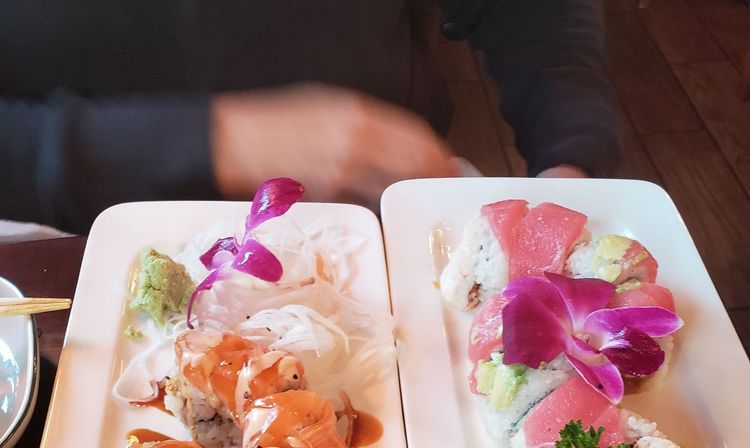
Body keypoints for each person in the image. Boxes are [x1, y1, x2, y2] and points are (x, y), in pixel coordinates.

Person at [0, 1, 619, 232]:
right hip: (65, 245)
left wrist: (571, 161)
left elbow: (529, 11)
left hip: (385, 209)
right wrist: (222, 140)